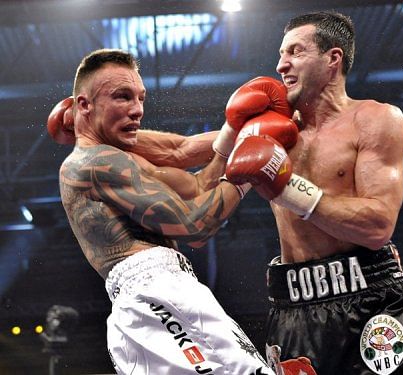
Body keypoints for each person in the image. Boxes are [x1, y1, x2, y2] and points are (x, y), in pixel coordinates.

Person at [51, 48, 317, 375]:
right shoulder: (97, 163)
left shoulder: (123, 152)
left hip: (159, 296)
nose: (137, 110)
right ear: (83, 105)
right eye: (123, 97)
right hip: (156, 295)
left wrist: (243, 132)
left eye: (141, 98)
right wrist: (248, 176)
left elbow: (196, 182)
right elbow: (195, 225)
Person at [224, 11, 403, 375]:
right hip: (292, 307)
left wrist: (286, 186)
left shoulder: (375, 120)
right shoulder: (270, 131)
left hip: (372, 301)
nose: (281, 64)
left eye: (295, 51)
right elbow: (184, 155)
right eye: (280, 54)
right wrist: (228, 134)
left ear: (332, 58)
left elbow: (377, 227)